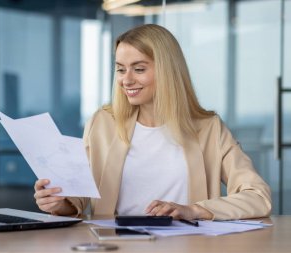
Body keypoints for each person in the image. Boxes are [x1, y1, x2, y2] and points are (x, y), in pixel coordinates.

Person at [34, 24, 272, 221]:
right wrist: (58, 203)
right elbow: (78, 198)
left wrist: (195, 210)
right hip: (117, 245)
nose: (126, 80)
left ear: (168, 71)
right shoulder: (102, 123)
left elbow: (258, 197)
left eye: (138, 69)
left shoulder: (208, 127)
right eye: (120, 69)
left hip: (188, 245)